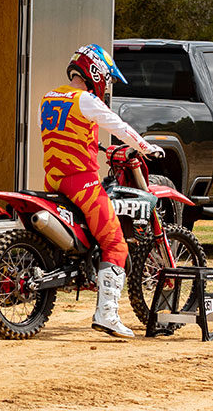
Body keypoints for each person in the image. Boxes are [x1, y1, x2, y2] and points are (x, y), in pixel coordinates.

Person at [39, 43, 164, 338]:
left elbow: (66, 134)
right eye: (106, 78)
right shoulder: (86, 100)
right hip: (80, 182)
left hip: (53, 179)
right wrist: (145, 147)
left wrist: (97, 146)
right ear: (95, 71)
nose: (106, 85)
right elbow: (117, 125)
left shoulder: (50, 96)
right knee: (116, 243)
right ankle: (107, 313)